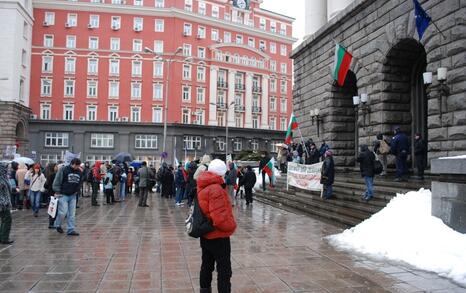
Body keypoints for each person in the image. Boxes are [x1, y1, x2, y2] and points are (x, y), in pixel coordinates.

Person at [197, 159, 237, 293]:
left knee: (206, 265)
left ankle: (204, 290)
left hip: (206, 233)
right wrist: (231, 226)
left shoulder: (203, 184)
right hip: (218, 235)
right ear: (221, 173)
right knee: (224, 270)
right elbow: (219, 218)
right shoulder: (215, 189)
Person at [52, 158, 82, 236]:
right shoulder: (63, 169)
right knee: (63, 212)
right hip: (63, 194)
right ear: (73, 164)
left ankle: (70, 229)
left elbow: (80, 182)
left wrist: (77, 190)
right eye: (77, 165)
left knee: (72, 213)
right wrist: (57, 191)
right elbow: (57, 180)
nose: (77, 167)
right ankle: (57, 224)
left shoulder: (79, 172)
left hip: (73, 195)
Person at [0, 164, 14, 245]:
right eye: (5, 169)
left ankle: (2, 237)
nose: (7, 170)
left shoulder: (3, 177)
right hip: (3, 203)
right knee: (7, 219)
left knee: (5, 220)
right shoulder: (1, 179)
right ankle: (4, 238)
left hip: (4, 202)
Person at [44, 163, 58, 229]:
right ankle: (52, 223)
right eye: (56, 166)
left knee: (52, 209)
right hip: (54, 194)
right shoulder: (54, 175)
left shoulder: (49, 175)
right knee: (54, 209)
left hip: (50, 194)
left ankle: (51, 223)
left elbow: (45, 185)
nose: (57, 167)